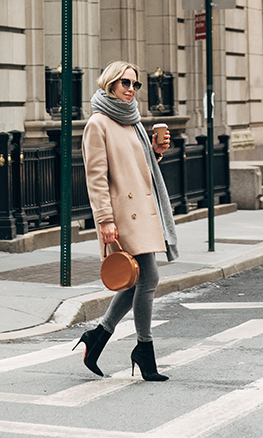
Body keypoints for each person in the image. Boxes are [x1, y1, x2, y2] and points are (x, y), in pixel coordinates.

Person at [74, 61, 178, 382]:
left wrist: (155, 152)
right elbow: (96, 177)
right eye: (124, 83)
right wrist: (104, 220)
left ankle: (98, 336)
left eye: (135, 84)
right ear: (110, 85)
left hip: (141, 213)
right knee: (149, 279)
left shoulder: (132, 121)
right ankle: (144, 350)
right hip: (121, 216)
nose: (131, 89)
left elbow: (138, 166)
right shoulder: (98, 123)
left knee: (136, 280)